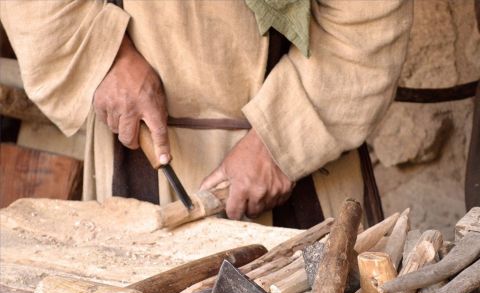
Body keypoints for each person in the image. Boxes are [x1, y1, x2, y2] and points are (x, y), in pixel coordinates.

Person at [0, 0, 413, 228]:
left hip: (305, 157)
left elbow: (369, 16)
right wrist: (104, 55)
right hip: (135, 151)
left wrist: (284, 138)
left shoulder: (292, 137)